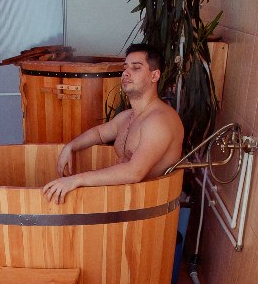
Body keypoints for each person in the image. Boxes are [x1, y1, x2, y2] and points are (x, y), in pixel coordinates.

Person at [41, 43, 185, 204]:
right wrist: (70, 146)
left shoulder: (160, 120)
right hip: (126, 202)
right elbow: (99, 133)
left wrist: (76, 180)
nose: (126, 73)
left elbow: (134, 172)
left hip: (147, 206)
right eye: (125, 67)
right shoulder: (127, 116)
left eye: (136, 68)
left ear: (154, 76)